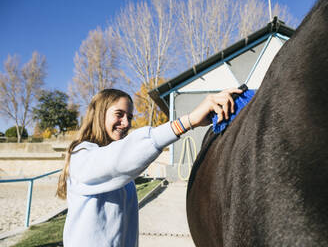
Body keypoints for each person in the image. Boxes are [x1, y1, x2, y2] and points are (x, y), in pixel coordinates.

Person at [57, 87, 242, 247]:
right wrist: (189, 121)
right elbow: (119, 158)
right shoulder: (82, 156)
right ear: (99, 114)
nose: (126, 123)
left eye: (129, 117)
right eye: (119, 114)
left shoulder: (122, 176)